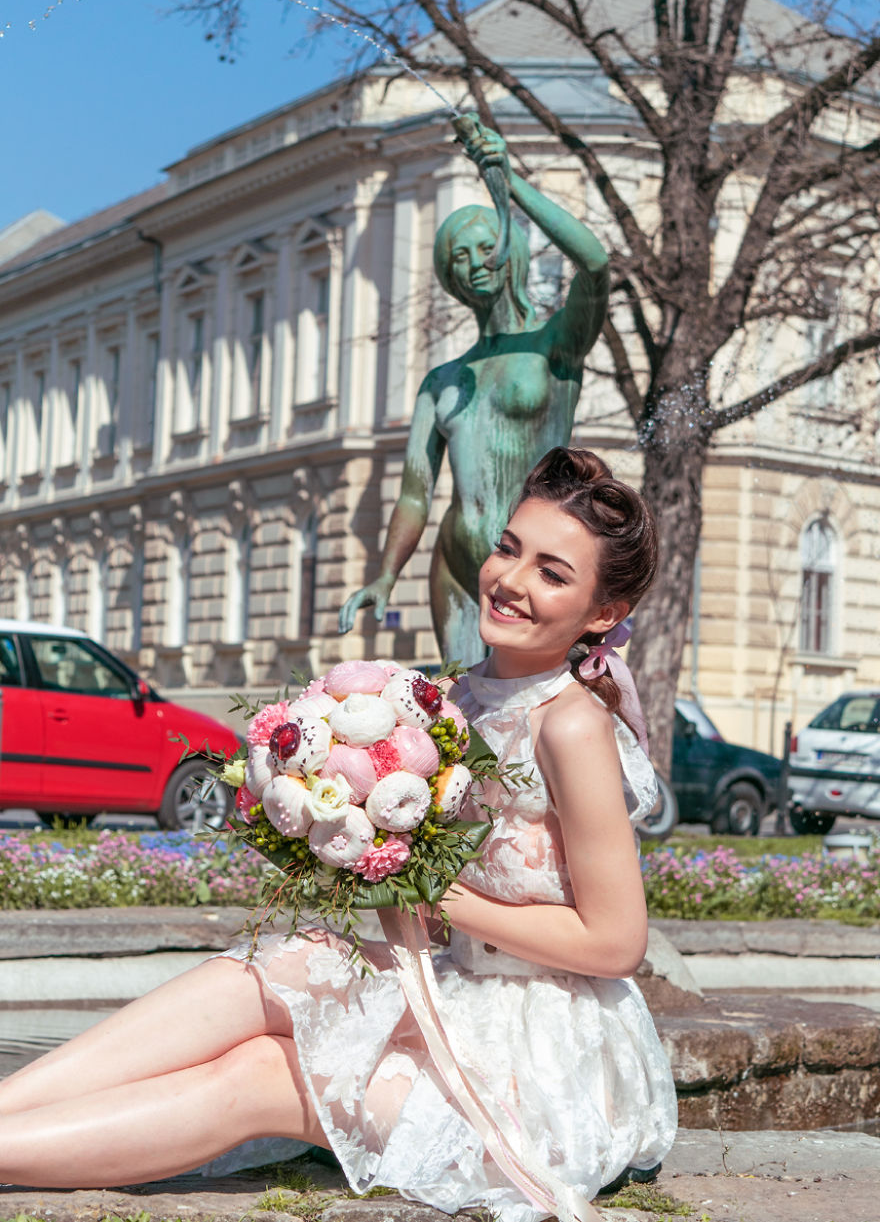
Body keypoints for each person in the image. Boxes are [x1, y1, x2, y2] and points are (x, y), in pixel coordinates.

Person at [0, 447, 676, 1222]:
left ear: (603, 614)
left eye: (553, 573)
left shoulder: (572, 724)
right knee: (268, 967)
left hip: (550, 1055)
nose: (513, 581)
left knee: (265, 1075)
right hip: (460, 988)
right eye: (509, 548)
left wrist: (438, 898)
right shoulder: (450, 698)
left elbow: (617, 941)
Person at [339, 120, 610, 665]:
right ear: (451, 278)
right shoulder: (442, 380)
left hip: (537, 560)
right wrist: (386, 574)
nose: (473, 263)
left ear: (510, 250)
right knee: (464, 722)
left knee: (525, 713)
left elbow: (595, 262)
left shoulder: (555, 344)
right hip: (458, 561)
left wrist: (510, 183)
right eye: (458, 257)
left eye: (485, 246)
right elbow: (415, 494)